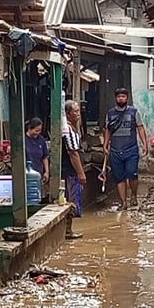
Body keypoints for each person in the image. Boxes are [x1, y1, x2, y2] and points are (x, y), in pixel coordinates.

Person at [103, 88, 148, 210]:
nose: (121, 98)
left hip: (131, 149)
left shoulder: (134, 112)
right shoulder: (110, 114)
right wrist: (105, 144)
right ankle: (123, 202)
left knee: (132, 174)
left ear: (127, 98)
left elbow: (140, 128)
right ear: (115, 98)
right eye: (118, 97)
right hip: (115, 150)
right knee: (119, 177)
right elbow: (107, 129)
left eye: (123, 96)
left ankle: (133, 195)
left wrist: (145, 144)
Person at [61, 100, 87, 239]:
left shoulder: (71, 128)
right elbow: (73, 153)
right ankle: (67, 231)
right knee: (70, 201)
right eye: (75, 111)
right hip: (69, 171)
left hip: (68, 170)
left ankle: (67, 230)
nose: (78, 114)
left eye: (78, 111)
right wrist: (81, 173)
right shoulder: (69, 131)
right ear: (67, 114)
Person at [24, 117, 50, 187]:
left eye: (40, 130)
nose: (38, 133)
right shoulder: (23, 140)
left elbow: (45, 157)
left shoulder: (41, 140)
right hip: (26, 174)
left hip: (38, 173)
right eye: (36, 130)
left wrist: (46, 172)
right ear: (30, 128)